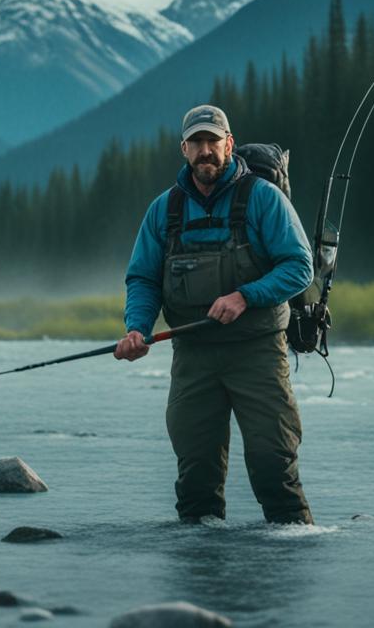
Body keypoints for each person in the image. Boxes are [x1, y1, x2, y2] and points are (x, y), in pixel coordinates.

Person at [114, 104, 315, 525]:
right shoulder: (163, 211)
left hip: (257, 352)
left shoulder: (263, 198)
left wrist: (245, 296)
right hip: (194, 357)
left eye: (213, 141)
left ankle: (293, 562)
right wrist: (136, 329)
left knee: (273, 466)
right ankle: (199, 569)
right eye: (196, 143)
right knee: (195, 478)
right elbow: (143, 280)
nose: (205, 151)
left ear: (229, 144)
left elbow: (299, 266)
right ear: (183, 149)